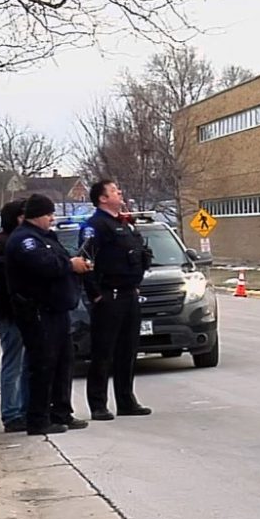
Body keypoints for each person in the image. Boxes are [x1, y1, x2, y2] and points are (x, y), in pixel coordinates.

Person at [6, 194, 91, 435]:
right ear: (37, 215)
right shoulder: (25, 240)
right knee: (43, 365)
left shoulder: (46, 237)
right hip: (37, 311)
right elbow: (44, 266)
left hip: (57, 310)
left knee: (63, 362)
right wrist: (69, 265)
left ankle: (61, 412)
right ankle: (38, 419)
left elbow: (59, 259)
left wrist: (75, 265)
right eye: (48, 214)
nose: (52, 218)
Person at [79, 180, 153, 421]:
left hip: (130, 293)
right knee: (103, 352)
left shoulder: (125, 223)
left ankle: (126, 400)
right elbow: (85, 262)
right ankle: (98, 404)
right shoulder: (95, 226)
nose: (119, 193)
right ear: (102, 198)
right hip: (108, 296)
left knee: (128, 350)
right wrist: (96, 294)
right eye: (114, 191)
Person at [0, 199, 28, 433]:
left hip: (22, 310)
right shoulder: (3, 243)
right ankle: (11, 413)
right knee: (13, 362)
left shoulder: (18, 240)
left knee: (24, 363)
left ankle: (23, 408)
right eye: (23, 216)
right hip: (9, 311)